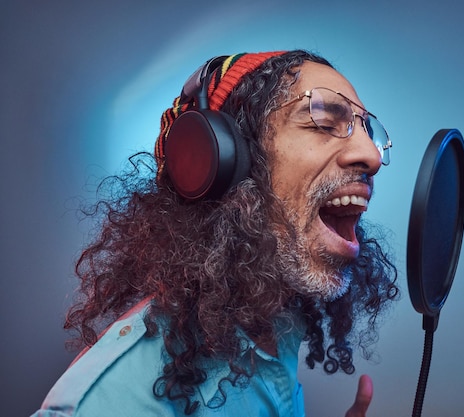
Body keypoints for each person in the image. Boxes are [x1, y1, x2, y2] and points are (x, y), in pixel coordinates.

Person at [31, 49, 398, 417]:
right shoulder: (115, 404)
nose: (371, 155)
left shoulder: (275, 330)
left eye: (368, 131)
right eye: (323, 120)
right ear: (228, 161)